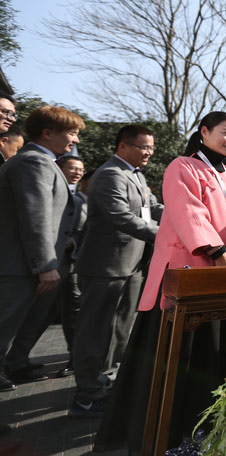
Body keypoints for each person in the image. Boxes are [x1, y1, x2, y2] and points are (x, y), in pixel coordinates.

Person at [94, 112, 226, 451]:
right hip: (185, 271)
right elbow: (187, 213)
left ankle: (202, 431)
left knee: (210, 356)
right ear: (204, 132)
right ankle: (157, 433)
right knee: (169, 356)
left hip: (219, 273)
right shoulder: (181, 166)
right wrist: (217, 252)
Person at [70, 125, 162, 416]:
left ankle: (104, 382)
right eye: (143, 147)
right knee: (96, 331)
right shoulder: (110, 174)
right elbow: (120, 216)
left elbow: (153, 208)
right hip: (105, 267)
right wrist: (162, 234)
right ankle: (86, 395)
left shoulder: (135, 175)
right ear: (123, 146)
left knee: (120, 331)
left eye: (151, 148)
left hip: (131, 266)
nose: (148, 153)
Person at [0, 106, 83, 391]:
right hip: (18, 269)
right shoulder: (33, 162)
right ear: (48, 134)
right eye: (71, 133)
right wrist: (46, 265)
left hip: (25, 267)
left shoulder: (41, 161)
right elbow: (35, 218)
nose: (76, 140)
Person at [51, 155, 88, 378]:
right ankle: (16, 359)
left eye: (80, 169)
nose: (76, 172)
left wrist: (74, 241)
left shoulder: (84, 199)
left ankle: (75, 357)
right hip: (45, 263)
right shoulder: (52, 192)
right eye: (72, 168)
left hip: (73, 262)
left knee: (73, 311)